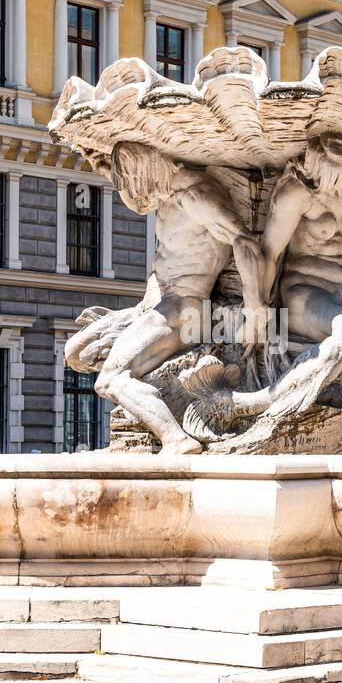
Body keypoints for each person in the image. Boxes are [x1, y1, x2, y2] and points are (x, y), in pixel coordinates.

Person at [193, 134, 342, 450]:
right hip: (306, 291)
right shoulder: (296, 192)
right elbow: (272, 252)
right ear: (319, 169)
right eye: (334, 183)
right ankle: (257, 403)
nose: (341, 190)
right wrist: (258, 308)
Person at [83, 141, 267, 454]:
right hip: (158, 303)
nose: (127, 192)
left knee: (110, 379)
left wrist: (255, 309)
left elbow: (245, 242)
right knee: (77, 353)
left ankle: (175, 439)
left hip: (182, 307)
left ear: (142, 171)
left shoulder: (194, 194)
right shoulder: (167, 193)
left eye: (126, 181)